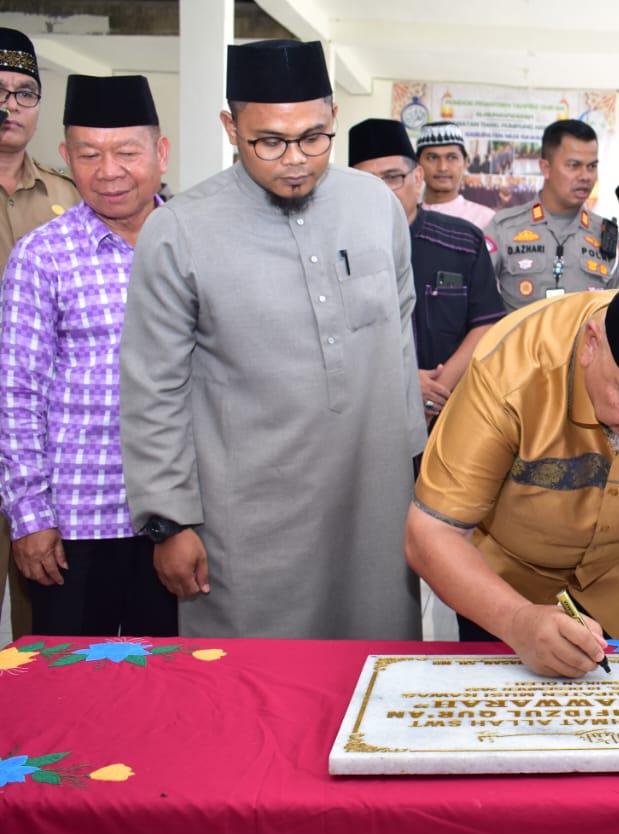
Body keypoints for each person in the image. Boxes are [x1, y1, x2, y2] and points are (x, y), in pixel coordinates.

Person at [119, 39, 425, 640]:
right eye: (270, 142)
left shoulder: (376, 207)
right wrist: (169, 520)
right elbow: (153, 385)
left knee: (372, 657)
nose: (295, 160)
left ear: (334, 117)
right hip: (247, 512)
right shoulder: (179, 230)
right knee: (252, 674)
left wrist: (416, 472)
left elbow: (400, 335)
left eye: (313, 137)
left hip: (374, 497)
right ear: (231, 127)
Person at [405, 242, 619, 677]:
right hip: (507, 585)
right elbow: (432, 532)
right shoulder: (511, 369)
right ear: (592, 344)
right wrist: (516, 620)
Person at [0, 74, 175, 636]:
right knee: (70, 680)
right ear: (66, 157)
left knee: (172, 676)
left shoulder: (193, 246)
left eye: (127, 151)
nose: (109, 170)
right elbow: (16, 392)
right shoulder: (41, 256)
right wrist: (30, 516)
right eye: (89, 154)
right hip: (75, 525)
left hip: (177, 521)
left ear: (160, 152)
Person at [0, 26, 80, 641]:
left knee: (44, 616)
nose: (10, 106)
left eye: (24, 93)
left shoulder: (68, 193)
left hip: (44, 439)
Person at [349, 118, 504, 423]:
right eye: (367, 181)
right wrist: (405, 382)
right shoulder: (338, 250)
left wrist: (436, 390)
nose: (382, 192)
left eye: (393, 177)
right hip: (367, 410)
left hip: (452, 410)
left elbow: (486, 322)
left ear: (417, 177)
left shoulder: (462, 240)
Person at [484, 119, 619, 312]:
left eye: (592, 166)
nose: (585, 176)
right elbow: (475, 297)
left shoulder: (607, 236)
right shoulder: (504, 228)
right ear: (545, 168)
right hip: (522, 332)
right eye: (573, 165)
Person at [415, 121, 494, 229]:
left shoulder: (486, 220)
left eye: (452, 157)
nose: (442, 167)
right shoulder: (407, 218)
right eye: (432, 157)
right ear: (418, 164)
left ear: (465, 163)